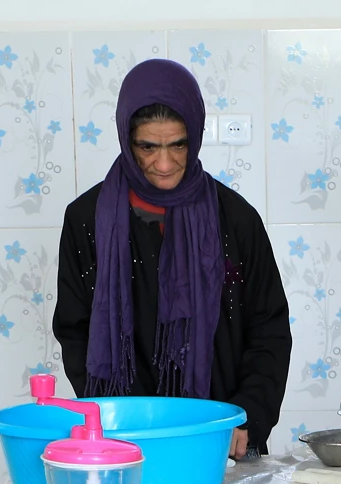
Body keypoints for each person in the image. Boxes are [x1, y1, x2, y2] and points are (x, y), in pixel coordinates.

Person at [54, 59, 290, 460]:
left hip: (222, 440)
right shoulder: (86, 221)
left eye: (177, 144)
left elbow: (268, 328)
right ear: (127, 140)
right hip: (124, 440)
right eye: (148, 146)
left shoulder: (236, 219)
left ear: (195, 137)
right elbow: (76, 333)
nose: (164, 164)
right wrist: (113, 419)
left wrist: (247, 418)